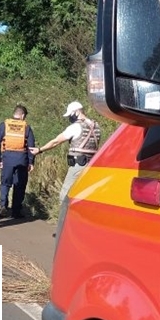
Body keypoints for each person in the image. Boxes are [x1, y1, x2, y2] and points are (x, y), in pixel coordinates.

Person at [30, 100, 101, 238]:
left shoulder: (75, 127)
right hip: (92, 166)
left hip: (78, 166)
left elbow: (56, 141)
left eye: (70, 114)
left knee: (65, 196)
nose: (69, 117)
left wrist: (40, 150)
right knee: (84, 197)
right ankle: (83, 228)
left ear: (76, 112)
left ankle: (64, 230)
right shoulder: (96, 126)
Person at [0, 104, 36, 219]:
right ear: (22, 115)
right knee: (19, 185)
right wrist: (31, 162)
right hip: (22, 159)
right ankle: (16, 210)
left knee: (5, 183)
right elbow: (31, 146)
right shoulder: (26, 127)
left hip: (7, 157)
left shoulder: (4, 125)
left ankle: (3, 206)